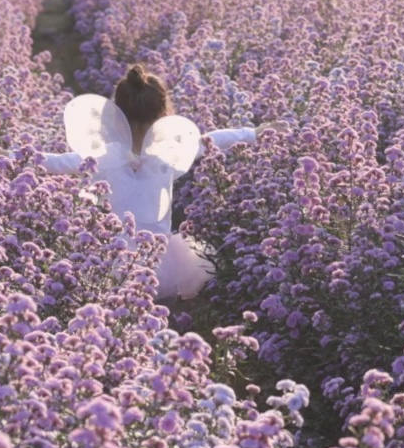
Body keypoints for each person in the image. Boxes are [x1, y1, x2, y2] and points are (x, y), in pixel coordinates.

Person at [36, 64, 286, 300]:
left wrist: (12, 157)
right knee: (157, 313)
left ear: (114, 116)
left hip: (109, 255)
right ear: (163, 115)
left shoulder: (102, 155)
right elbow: (211, 141)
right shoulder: (167, 153)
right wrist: (253, 133)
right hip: (159, 258)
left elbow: (54, 161)